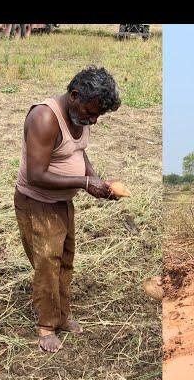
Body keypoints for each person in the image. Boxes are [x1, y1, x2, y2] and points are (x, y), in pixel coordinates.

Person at [14, 66, 121, 353]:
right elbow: (37, 174)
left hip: (62, 201)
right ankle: (46, 326)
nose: (93, 120)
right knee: (47, 264)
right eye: (91, 112)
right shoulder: (44, 118)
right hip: (38, 202)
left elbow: (78, 151)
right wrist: (85, 182)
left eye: (98, 116)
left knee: (65, 259)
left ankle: (62, 316)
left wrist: (96, 179)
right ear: (74, 95)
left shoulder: (81, 116)